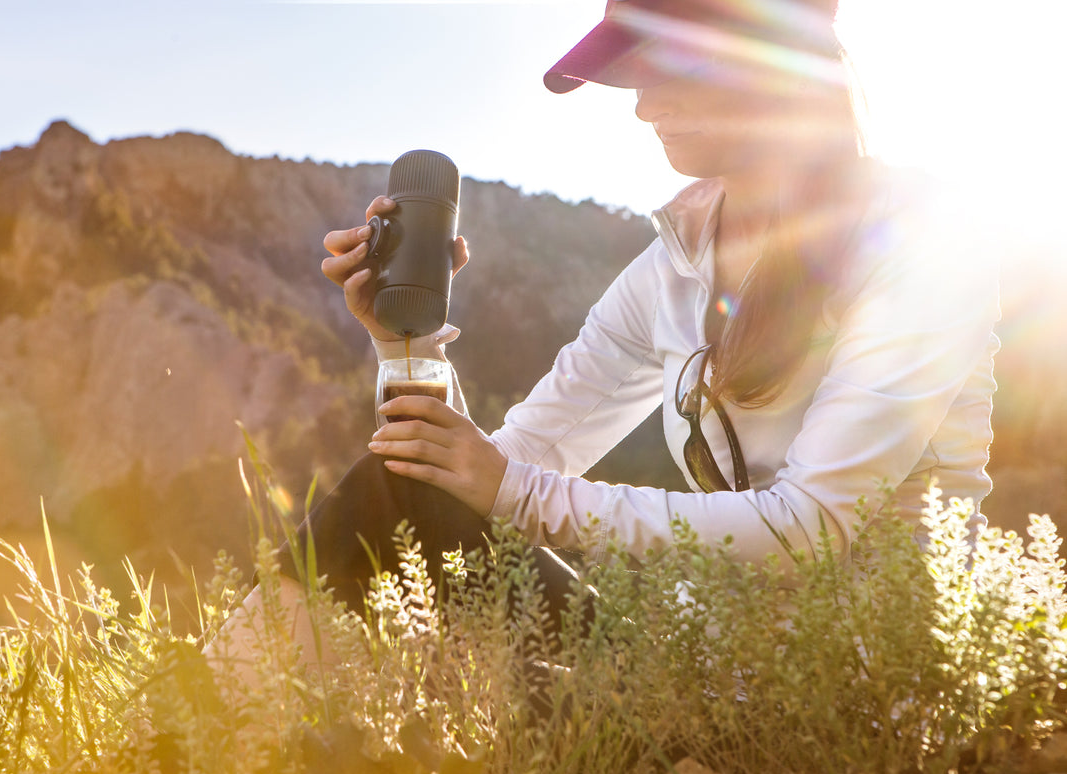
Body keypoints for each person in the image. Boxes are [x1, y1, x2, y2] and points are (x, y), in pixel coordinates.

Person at [207, 0, 999, 675]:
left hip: (859, 692)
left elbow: (811, 526)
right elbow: (496, 470)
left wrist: (514, 490)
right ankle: (185, 739)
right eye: (634, 77)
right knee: (398, 488)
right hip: (701, 672)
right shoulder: (673, 266)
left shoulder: (917, 239)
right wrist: (405, 344)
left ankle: (182, 739)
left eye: (668, 70)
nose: (643, 107)